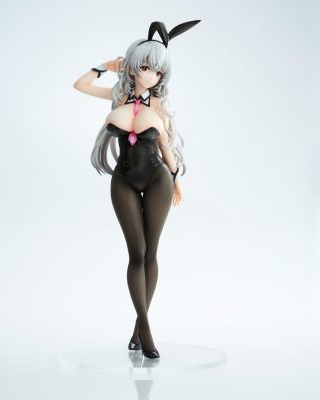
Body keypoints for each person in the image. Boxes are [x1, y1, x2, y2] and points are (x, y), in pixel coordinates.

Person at [74, 20, 200, 359]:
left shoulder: (158, 106)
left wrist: (176, 179)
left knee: (150, 253)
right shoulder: (116, 96)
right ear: (133, 66)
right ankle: (145, 326)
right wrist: (105, 66)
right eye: (146, 67)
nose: (151, 76)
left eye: (158, 72)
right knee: (136, 252)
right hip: (123, 179)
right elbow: (80, 85)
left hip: (158, 178)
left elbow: (166, 146)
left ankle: (137, 330)